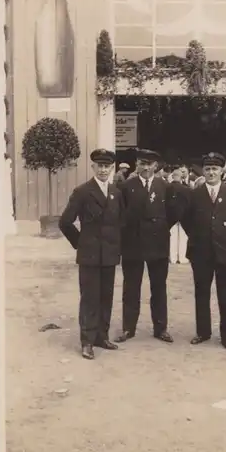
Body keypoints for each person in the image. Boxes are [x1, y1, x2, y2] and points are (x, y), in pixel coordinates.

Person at [115, 149, 187, 344]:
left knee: (159, 287)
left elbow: (172, 213)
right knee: (131, 288)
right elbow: (121, 215)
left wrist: (160, 227)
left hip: (158, 243)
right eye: (142, 163)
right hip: (133, 243)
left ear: (156, 166)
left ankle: (160, 328)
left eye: (150, 164)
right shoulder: (125, 186)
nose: (145, 168)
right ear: (137, 165)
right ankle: (128, 328)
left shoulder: (165, 186)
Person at [59, 149, 125, 360]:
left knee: (106, 296)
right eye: (100, 166)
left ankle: (101, 337)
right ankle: (87, 341)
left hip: (109, 255)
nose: (104, 169)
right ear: (93, 167)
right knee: (89, 298)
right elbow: (65, 222)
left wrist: (117, 245)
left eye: (107, 166)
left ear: (111, 168)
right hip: (89, 255)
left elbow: (120, 222)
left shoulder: (116, 192)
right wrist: (81, 243)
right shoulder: (83, 192)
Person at [181, 152, 226, 351]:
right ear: (203, 171)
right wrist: (196, 236)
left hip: (225, 252)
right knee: (201, 293)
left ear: (222, 170)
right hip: (200, 252)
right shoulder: (195, 194)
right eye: (208, 169)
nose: (211, 172)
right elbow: (186, 220)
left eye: (215, 169)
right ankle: (203, 332)